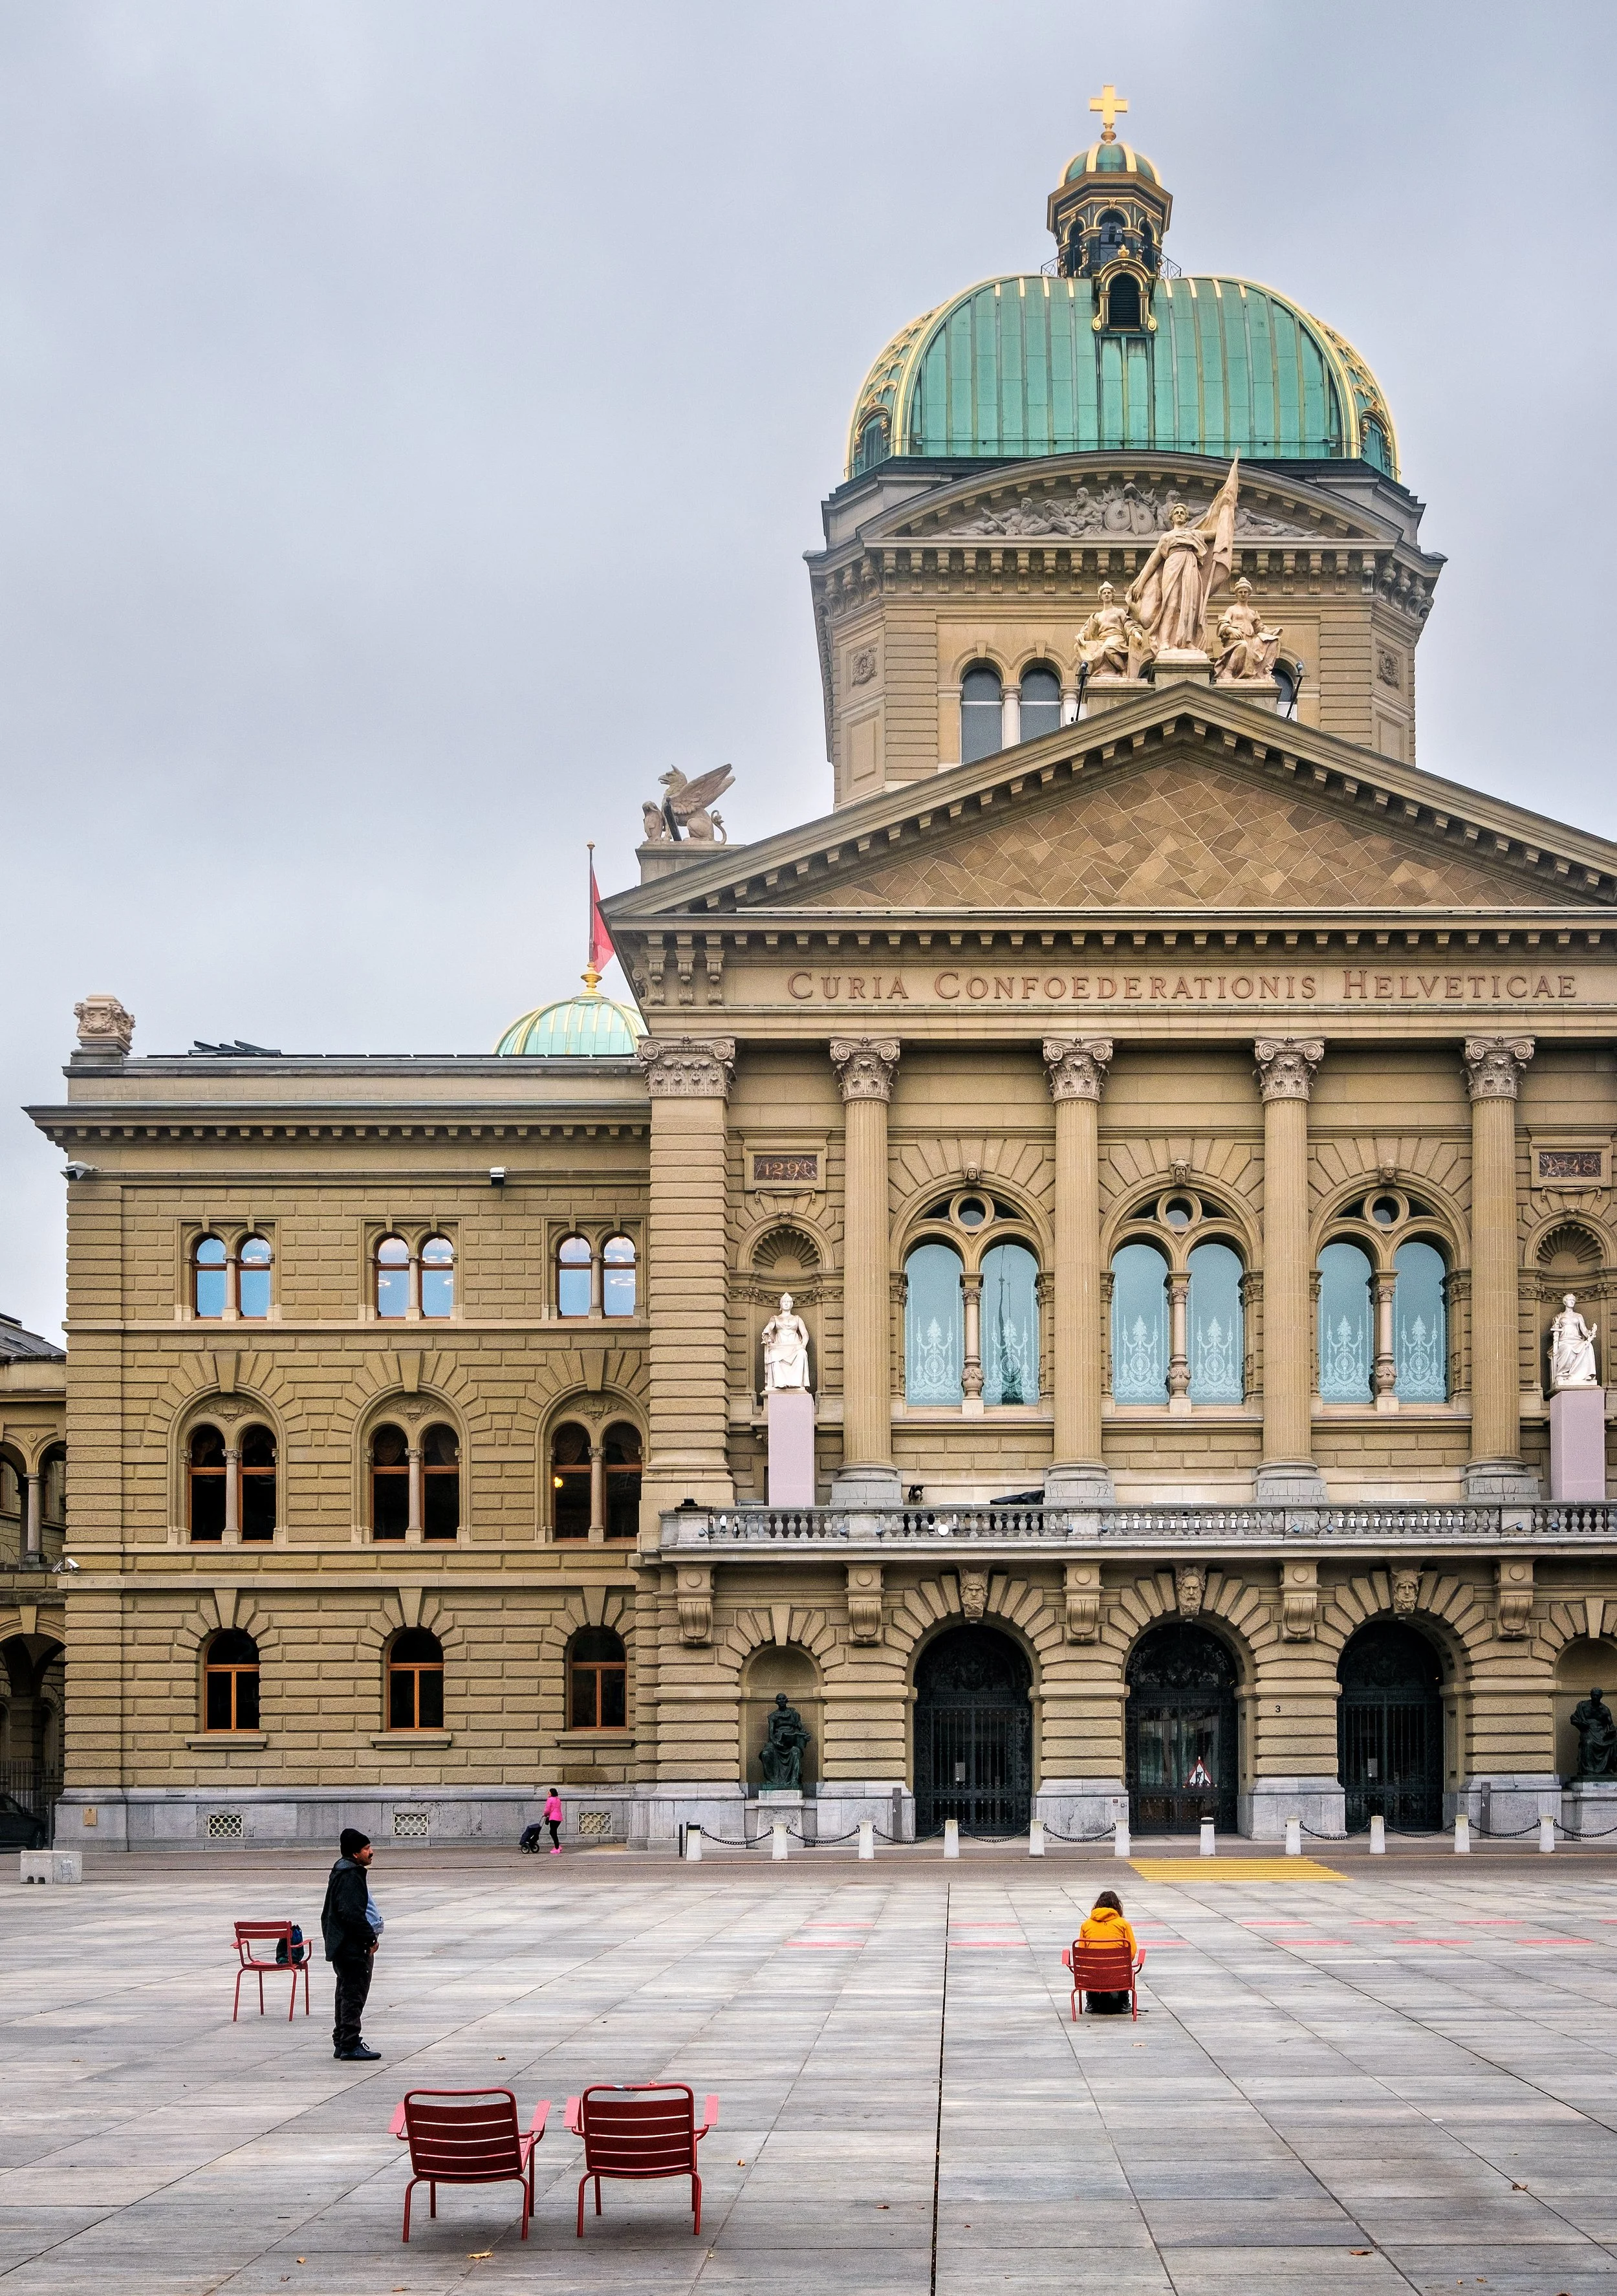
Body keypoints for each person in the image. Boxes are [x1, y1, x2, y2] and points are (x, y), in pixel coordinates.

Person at [321, 1828, 381, 2062]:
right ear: (355, 1854)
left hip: (343, 1945)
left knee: (346, 1992)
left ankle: (343, 2040)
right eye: (367, 1849)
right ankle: (349, 2044)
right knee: (353, 1994)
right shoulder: (350, 1876)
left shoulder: (342, 1870)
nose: (371, 1852)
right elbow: (352, 1914)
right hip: (352, 1947)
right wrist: (370, 1939)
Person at [1078, 1888, 1144, 2015]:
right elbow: (1132, 1952)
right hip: (1118, 1973)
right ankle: (1124, 2003)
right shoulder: (1123, 1924)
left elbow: (1082, 1950)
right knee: (1125, 1968)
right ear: (1117, 1907)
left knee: (1090, 1966)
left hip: (1093, 1973)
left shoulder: (1086, 1925)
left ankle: (1091, 2003)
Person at [545, 1786, 564, 1853]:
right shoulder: (558, 1799)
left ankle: (557, 1848)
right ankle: (558, 1846)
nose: (548, 1793)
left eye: (549, 1792)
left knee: (553, 1833)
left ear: (551, 1793)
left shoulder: (550, 1799)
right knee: (553, 1832)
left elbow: (547, 1809)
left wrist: (545, 1814)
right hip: (559, 1818)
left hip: (553, 1818)